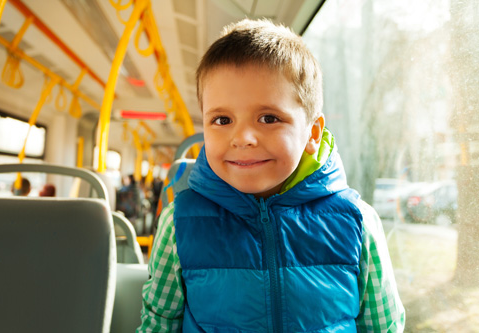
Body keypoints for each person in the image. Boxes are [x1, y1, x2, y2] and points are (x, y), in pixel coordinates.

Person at [137, 19, 405, 332]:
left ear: (313, 134)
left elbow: (383, 326)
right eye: (222, 119)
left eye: (268, 118)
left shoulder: (357, 223)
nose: (243, 138)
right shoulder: (179, 223)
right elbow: (158, 324)